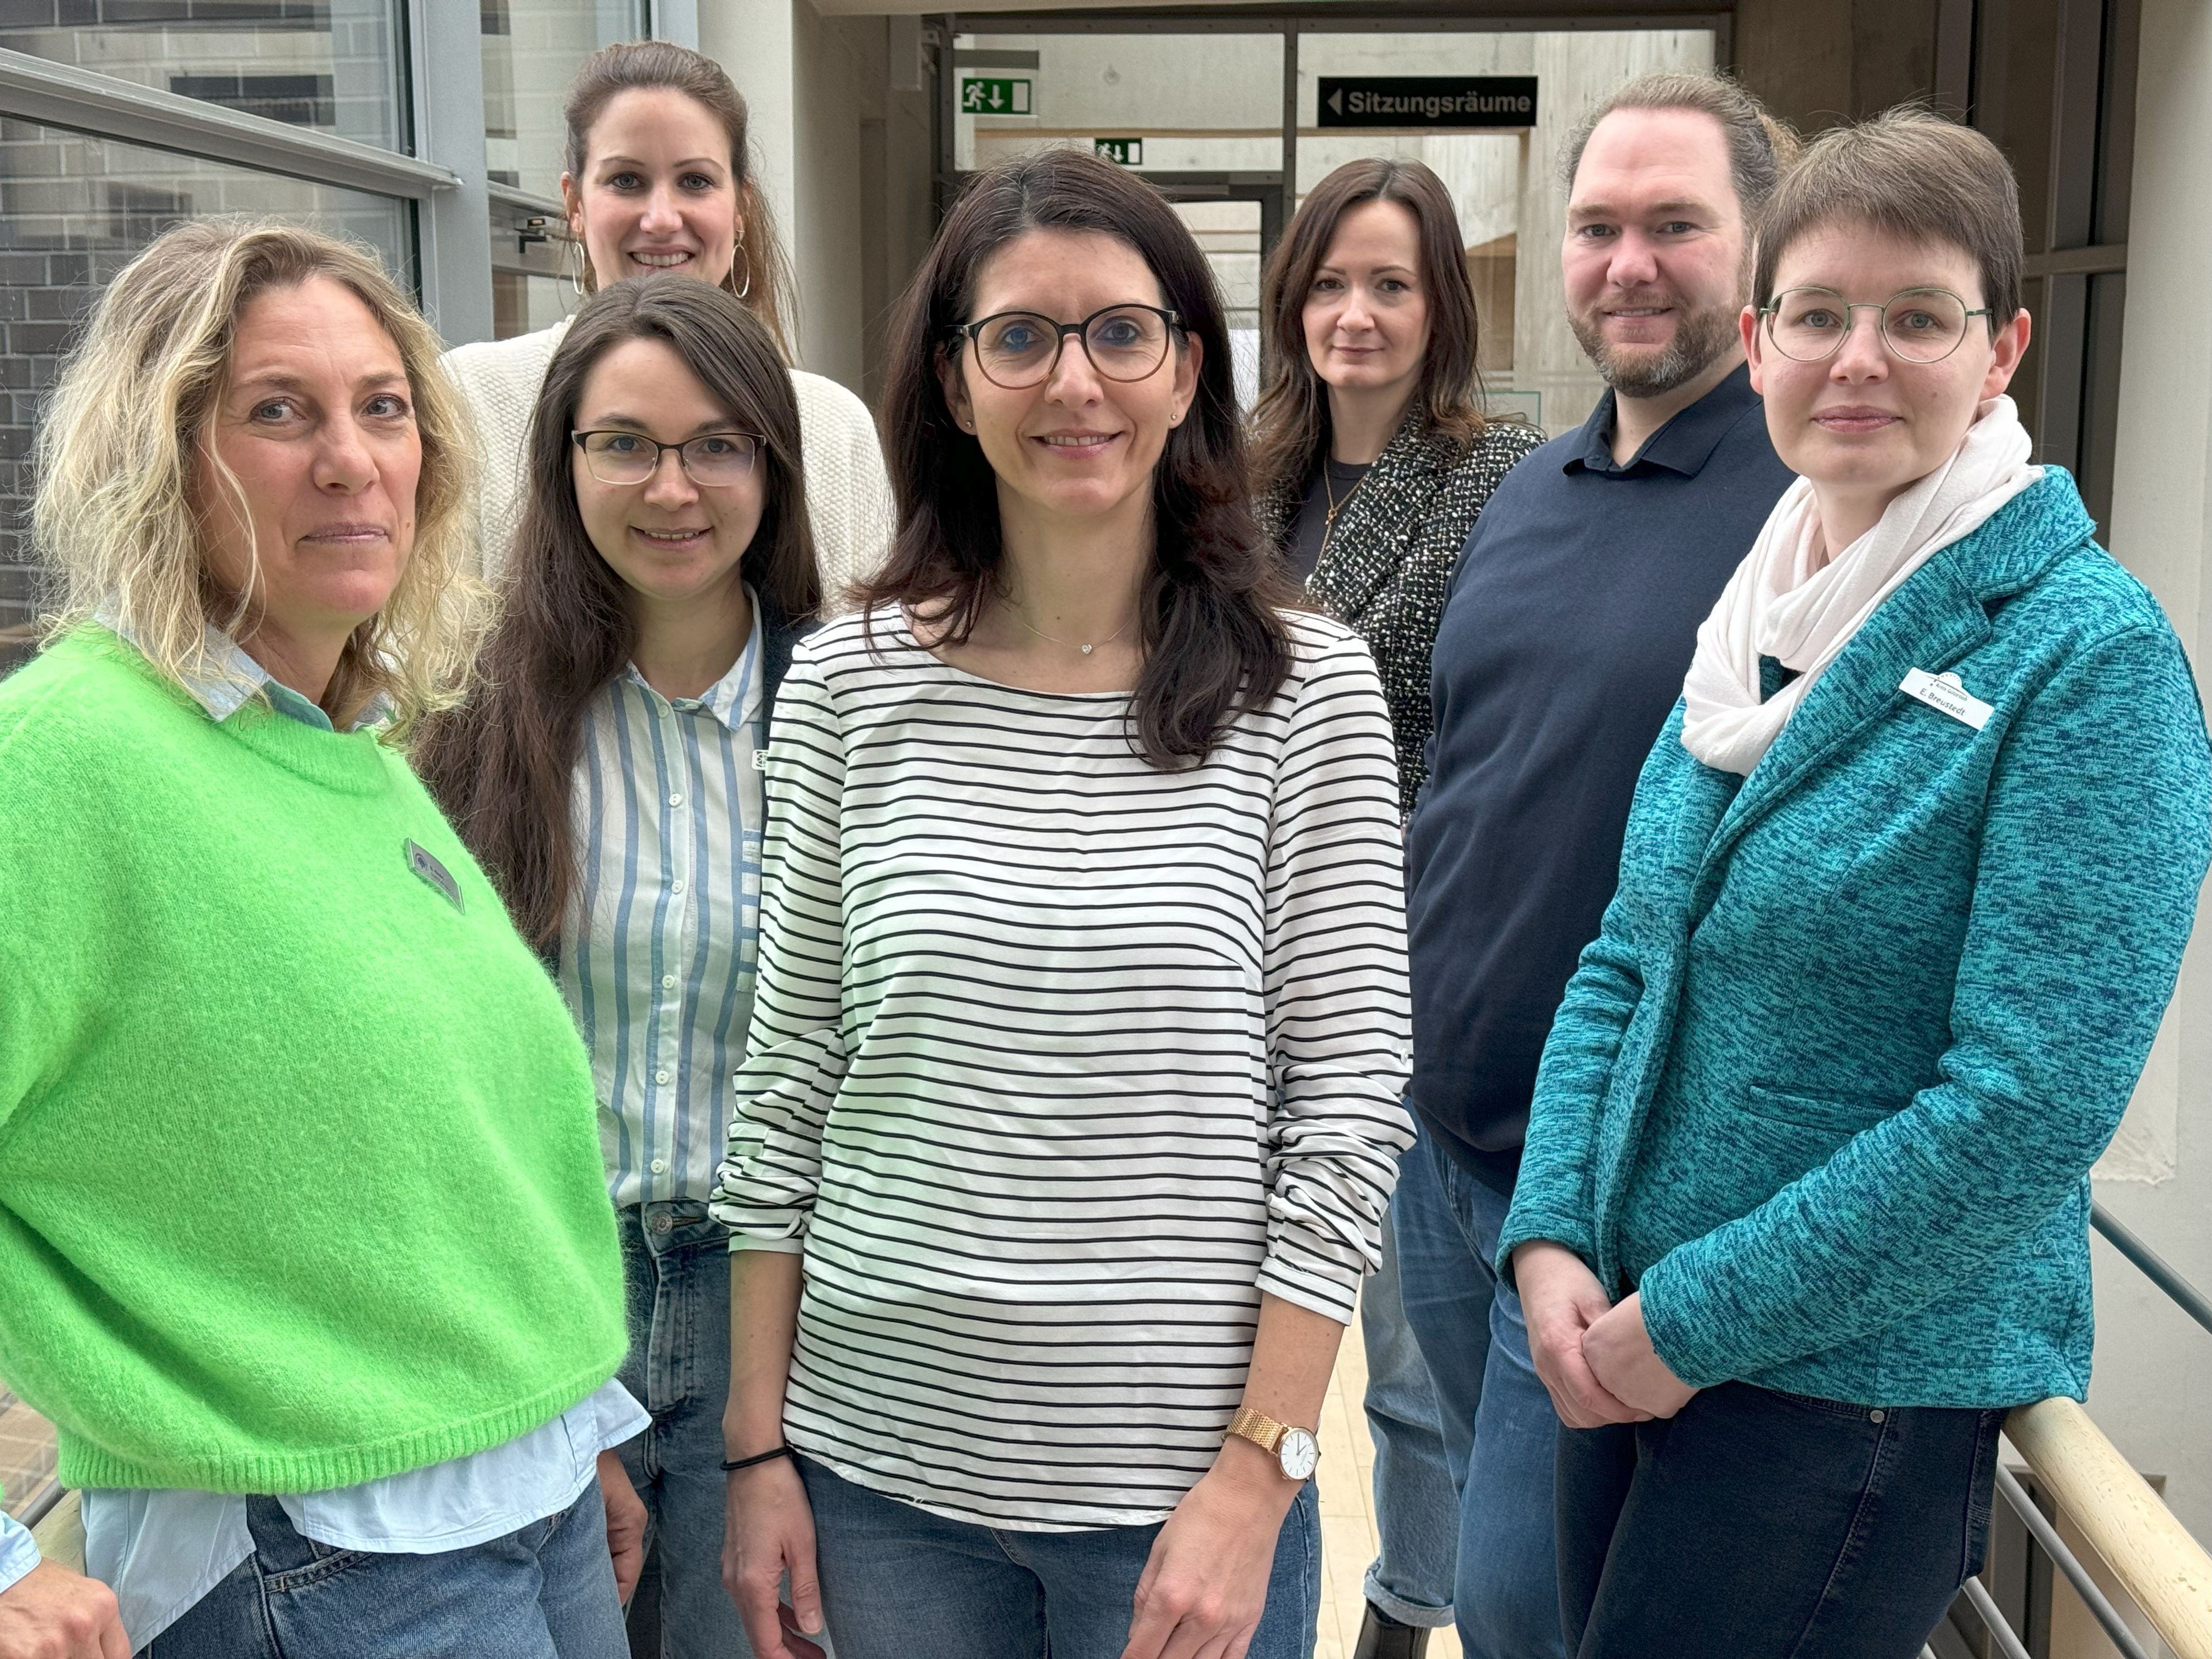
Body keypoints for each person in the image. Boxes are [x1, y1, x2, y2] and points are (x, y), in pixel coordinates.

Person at [1499, 105, 2212, 1658]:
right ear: (1755, 343)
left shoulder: (2086, 658)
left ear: (2004, 347)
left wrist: (1688, 1327)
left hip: (1842, 1400)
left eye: (1918, 318)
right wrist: (1552, 1231)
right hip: (1624, 1344)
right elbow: (1629, 954)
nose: (1859, 360)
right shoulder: (1754, 622)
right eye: (1819, 315)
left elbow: (2024, 1101)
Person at [707, 148, 1414, 1659]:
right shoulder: (847, 683)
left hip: (1181, 1501)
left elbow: (1348, 1116)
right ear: (955, 387)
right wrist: (756, 1454)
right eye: (1018, 336)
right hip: (875, 1474)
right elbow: (787, 1089)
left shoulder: (1310, 691)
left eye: (1120, 333)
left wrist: (1266, 1469)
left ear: (1185, 372)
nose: (1072, 381)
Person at [0, 221, 638, 1658]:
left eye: (383, 408)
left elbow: (440, 1167)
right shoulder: (68, 758)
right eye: (276, 412)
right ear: (158, 452)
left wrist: (564, 1418)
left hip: (516, 1504)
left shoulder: (352, 745)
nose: (350, 459)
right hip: (325, 1557)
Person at [1397, 73, 1799, 1659]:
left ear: (1760, 245)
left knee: (1520, 1607)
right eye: (1598, 227)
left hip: (1620, 1204)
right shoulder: (1524, 491)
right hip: (1443, 1160)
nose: (1630, 263)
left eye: (1677, 226)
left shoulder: (1808, 510)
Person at [416, 273, 820, 1659]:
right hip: (551, 1291)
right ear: (563, 461)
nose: (673, 486)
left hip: (784, 1303)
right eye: (625, 443)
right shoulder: (472, 725)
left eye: (718, 443)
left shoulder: (853, 718)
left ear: (772, 464)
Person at [1248, 156, 1542, 1659]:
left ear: (1444, 309)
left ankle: (1403, 1614)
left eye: (1391, 285)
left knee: (1412, 1357)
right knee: (1249, 1317)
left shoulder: (1506, 483)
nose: (1354, 316)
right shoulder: (1237, 477)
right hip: (1233, 966)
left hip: (1413, 966)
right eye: (1329, 284)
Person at [445, 40, 892, 601]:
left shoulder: (831, 425)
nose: (661, 219)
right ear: (575, 205)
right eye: (626, 180)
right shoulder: (470, 396)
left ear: (740, 209)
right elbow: (429, 657)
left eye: (695, 182)